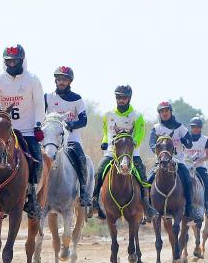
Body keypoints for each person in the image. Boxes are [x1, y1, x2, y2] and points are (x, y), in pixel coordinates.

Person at [0, 44, 45, 218]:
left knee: (37, 159)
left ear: (21, 60)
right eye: (8, 61)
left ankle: (31, 195)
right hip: (4, 130)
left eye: (15, 60)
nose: (11, 64)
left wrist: (38, 124)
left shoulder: (32, 79)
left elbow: (40, 104)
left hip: (27, 130)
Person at [89, 85, 157, 220]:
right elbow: (106, 132)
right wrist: (104, 141)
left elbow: (140, 133)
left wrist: (133, 144)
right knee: (99, 171)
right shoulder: (108, 114)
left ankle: (146, 204)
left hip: (131, 153)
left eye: (124, 98)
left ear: (129, 98)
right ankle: (94, 202)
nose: (121, 100)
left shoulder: (137, 116)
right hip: (111, 152)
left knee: (142, 175)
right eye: (118, 97)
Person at [44, 65, 91, 207]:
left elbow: (84, 120)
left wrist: (71, 125)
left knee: (81, 159)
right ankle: (32, 192)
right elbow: (39, 117)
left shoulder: (77, 99)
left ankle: (83, 193)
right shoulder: (48, 97)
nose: (61, 82)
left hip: (71, 139)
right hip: (50, 139)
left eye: (65, 79)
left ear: (70, 81)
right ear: (55, 81)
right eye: (59, 79)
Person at [148, 101, 198, 221]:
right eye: (162, 111)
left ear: (171, 112)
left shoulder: (180, 128)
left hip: (178, 161)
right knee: (147, 180)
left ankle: (189, 208)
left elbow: (189, 143)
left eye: (166, 111)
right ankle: (147, 209)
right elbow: (152, 144)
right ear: (159, 114)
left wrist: (185, 141)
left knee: (187, 179)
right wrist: (160, 152)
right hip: (160, 162)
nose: (164, 113)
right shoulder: (156, 128)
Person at [183, 116, 208, 217]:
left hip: (200, 166)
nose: (194, 129)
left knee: (207, 182)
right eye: (192, 127)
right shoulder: (185, 139)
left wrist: (199, 161)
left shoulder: (205, 140)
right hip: (187, 165)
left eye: (196, 127)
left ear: (200, 128)